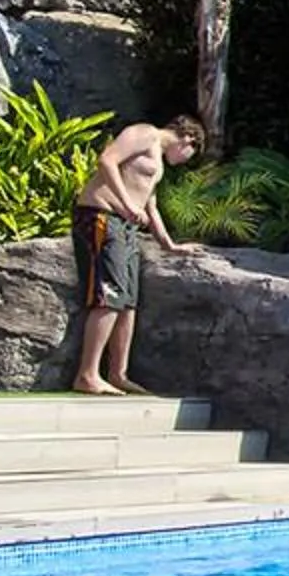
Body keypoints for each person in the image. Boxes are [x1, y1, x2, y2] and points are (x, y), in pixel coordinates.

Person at [70, 114, 205, 396]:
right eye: (191, 155)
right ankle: (87, 374)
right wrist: (125, 205)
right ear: (189, 139)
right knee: (110, 296)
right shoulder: (144, 133)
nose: (186, 161)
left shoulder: (158, 164)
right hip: (101, 215)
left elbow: (150, 206)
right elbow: (106, 160)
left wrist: (169, 245)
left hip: (124, 225)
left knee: (128, 302)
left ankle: (118, 373)